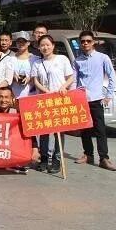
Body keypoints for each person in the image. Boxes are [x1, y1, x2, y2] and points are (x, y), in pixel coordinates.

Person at [74, 31, 116, 171]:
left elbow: (112, 76)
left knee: (100, 130)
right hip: (81, 99)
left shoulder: (102, 58)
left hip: (97, 99)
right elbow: (74, 80)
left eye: (88, 41)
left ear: (93, 42)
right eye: (83, 41)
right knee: (85, 129)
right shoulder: (77, 60)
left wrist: (108, 95)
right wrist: (73, 97)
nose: (85, 43)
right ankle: (88, 154)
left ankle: (104, 158)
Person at [31, 34, 74, 174]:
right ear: (39, 47)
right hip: (44, 100)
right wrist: (45, 91)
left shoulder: (62, 59)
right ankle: (44, 158)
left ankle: (57, 159)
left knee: (59, 131)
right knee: (44, 131)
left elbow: (70, 77)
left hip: (60, 99)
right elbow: (35, 81)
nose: (45, 47)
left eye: (47, 45)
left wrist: (63, 87)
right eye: (42, 45)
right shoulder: (37, 63)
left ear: (53, 45)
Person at [11, 31, 37, 99]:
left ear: (28, 43)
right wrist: (13, 76)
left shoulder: (35, 59)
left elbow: (40, 76)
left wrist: (30, 78)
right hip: (14, 94)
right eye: (18, 42)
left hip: (31, 94)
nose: (21, 44)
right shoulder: (11, 58)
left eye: (23, 41)